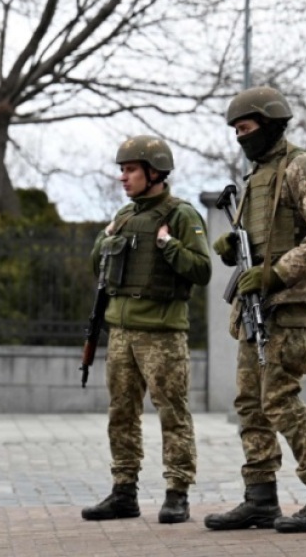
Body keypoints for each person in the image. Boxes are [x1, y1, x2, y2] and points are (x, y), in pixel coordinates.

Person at [204, 86, 306, 533]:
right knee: (250, 405)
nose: (239, 138)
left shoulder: (303, 167)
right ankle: (260, 499)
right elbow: (258, 244)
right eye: (235, 131)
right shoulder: (255, 178)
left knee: (279, 400)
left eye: (245, 129)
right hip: (256, 308)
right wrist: (234, 248)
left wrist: (276, 274)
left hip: (288, 306)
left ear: (269, 125)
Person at [82, 136, 211, 525]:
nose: (124, 177)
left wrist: (169, 246)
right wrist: (104, 238)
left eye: (131, 170)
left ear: (154, 172)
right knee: (121, 413)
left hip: (162, 333)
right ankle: (124, 491)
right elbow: (97, 270)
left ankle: (178, 493)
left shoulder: (182, 215)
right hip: (120, 331)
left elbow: (202, 270)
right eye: (122, 170)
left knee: (173, 412)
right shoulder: (123, 216)